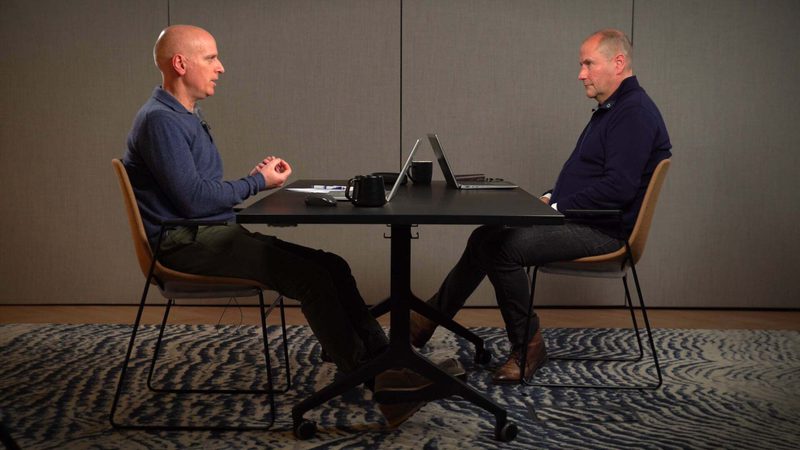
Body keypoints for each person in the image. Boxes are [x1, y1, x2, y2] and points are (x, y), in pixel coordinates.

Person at [123, 24, 456, 428]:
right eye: (211, 57)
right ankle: (382, 383)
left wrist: (250, 180)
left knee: (331, 265)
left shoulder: (183, 116)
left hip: (207, 233)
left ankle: (386, 361)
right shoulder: (161, 121)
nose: (221, 67)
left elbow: (196, 190)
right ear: (180, 63)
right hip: (186, 245)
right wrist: (257, 184)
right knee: (311, 278)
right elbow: (192, 200)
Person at [410, 29, 672, 383]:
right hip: (586, 219)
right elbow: (589, 176)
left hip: (605, 230)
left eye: (588, 64)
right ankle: (427, 320)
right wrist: (550, 197)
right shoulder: (614, 109)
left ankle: (528, 347)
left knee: (503, 248)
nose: (581, 73)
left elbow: (618, 189)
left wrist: (555, 208)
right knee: (485, 236)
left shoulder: (633, 113)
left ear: (618, 62)